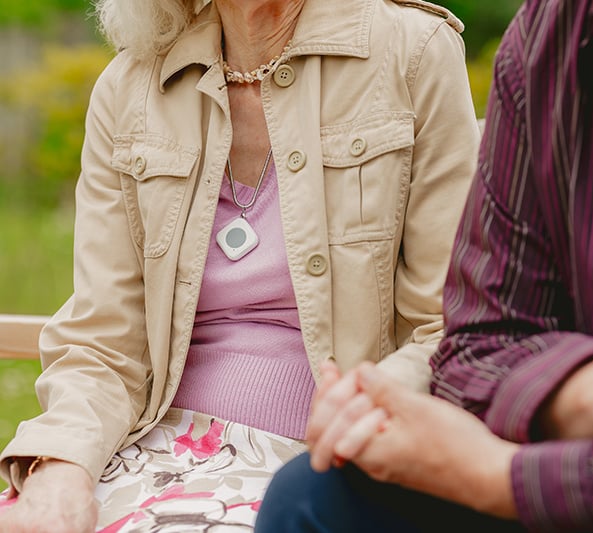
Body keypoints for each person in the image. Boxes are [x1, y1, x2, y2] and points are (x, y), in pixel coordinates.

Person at [254, 0, 593, 531]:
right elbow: (477, 343)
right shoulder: (543, 37)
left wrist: (497, 477)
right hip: (587, 446)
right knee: (312, 497)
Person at [0, 0, 480, 530]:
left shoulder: (413, 53)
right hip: (146, 451)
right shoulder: (130, 86)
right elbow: (105, 342)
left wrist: (364, 411)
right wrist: (58, 469)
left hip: (325, 464)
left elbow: (452, 326)